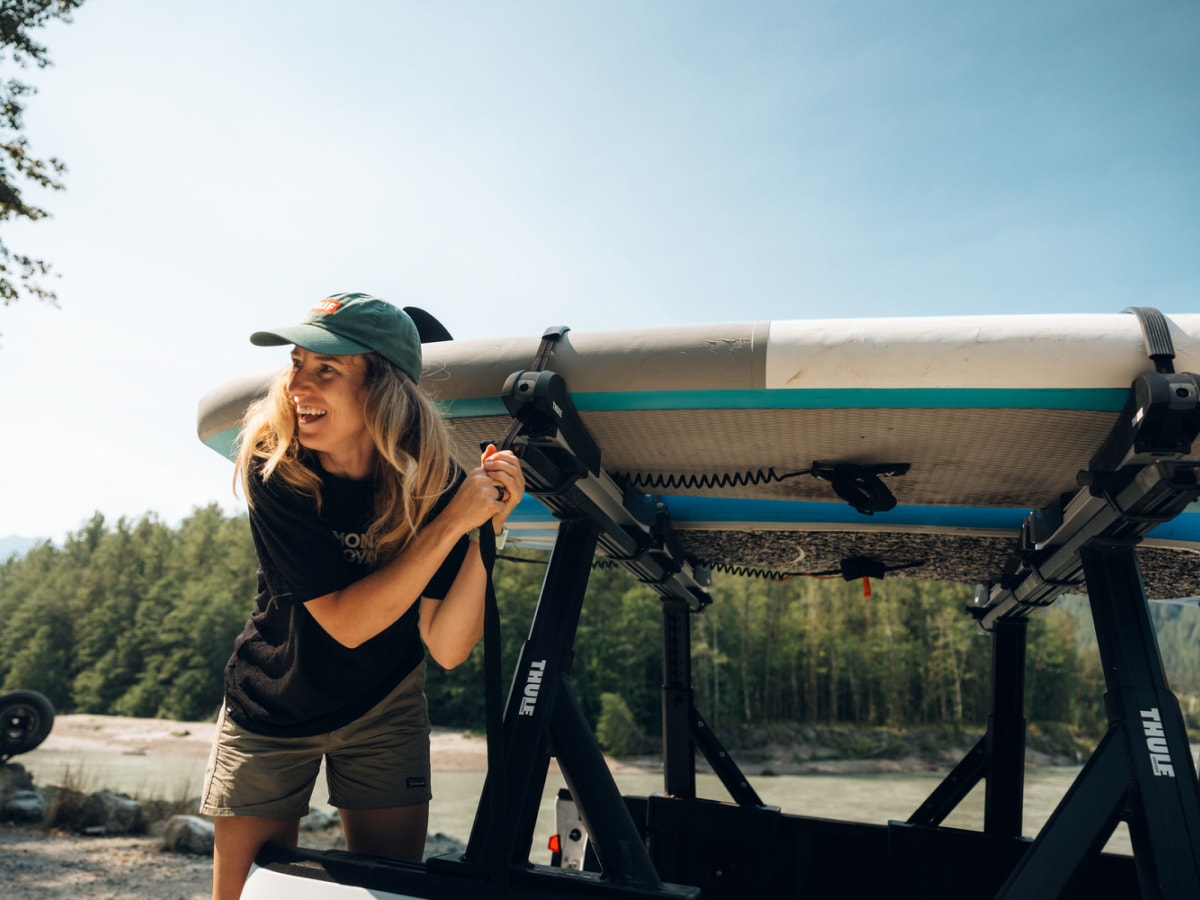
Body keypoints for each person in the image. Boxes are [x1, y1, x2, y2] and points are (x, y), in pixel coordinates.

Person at [199, 292, 524, 900]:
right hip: (273, 705)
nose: (299, 384)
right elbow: (345, 624)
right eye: (296, 364)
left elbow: (449, 646)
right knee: (241, 896)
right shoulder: (277, 469)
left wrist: (486, 530)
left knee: (388, 896)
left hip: (384, 706)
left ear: (384, 389)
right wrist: (453, 523)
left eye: (327, 369)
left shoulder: (434, 483)